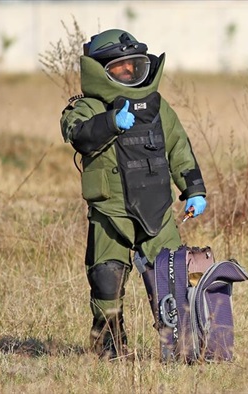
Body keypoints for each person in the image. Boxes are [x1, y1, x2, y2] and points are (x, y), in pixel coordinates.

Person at [59, 29, 207, 360]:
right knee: (105, 279)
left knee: (172, 275)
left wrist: (194, 190)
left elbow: (180, 148)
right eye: (120, 68)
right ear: (100, 70)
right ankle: (109, 348)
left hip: (157, 210)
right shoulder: (86, 107)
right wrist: (110, 121)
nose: (129, 74)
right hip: (110, 213)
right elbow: (76, 134)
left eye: (134, 66)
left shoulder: (158, 108)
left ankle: (182, 347)